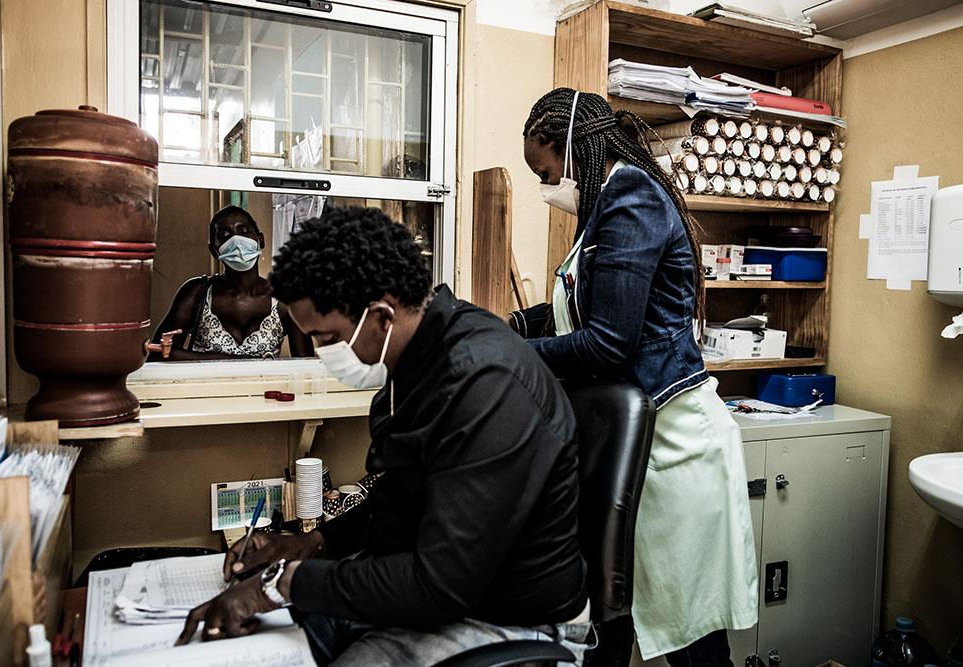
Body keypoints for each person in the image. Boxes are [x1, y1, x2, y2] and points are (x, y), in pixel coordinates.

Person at [176, 207, 592, 666]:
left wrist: (281, 584)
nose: (320, 351)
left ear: (379, 317)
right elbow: (408, 491)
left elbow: (438, 585)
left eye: (327, 336)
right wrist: (313, 543)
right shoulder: (420, 354)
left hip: (508, 620)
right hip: (440, 591)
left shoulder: (485, 384)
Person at [510, 87, 758, 665]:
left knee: (693, 638)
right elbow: (594, 305)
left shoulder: (631, 197)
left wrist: (515, 355)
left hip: (674, 451)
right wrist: (515, 326)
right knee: (612, 624)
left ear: (574, 150)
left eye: (545, 172)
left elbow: (610, 341)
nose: (546, 188)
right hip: (633, 449)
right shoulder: (604, 204)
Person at [149, 205, 312, 360]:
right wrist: (238, 361)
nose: (236, 241)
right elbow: (157, 352)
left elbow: (308, 365)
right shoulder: (197, 292)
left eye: (244, 231)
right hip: (203, 390)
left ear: (260, 240)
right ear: (214, 250)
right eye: (225, 236)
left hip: (265, 390)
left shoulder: (286, 299)